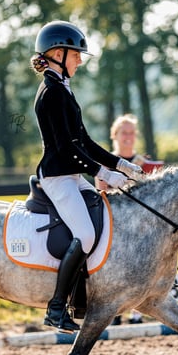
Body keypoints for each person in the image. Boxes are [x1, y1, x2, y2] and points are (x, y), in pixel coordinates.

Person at [32, 20, 142, 333]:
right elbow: (68, 150)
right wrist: (103, 172)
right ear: (56, 53)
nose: (80, 59)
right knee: (87, 235)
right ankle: (56, 307)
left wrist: (122, 165)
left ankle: (83, 298)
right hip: (58, 176)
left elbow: (86, 143)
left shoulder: (63, 90)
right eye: (75, 54)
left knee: (102, 219)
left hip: (70, 174)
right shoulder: (52, 93)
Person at [95, 113, 159, 325]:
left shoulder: (145, 165)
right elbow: (100, 194)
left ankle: (137, 311)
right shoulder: (103, 163)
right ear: (115, 135)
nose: (128, 136)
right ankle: (114, 310)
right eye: (124, 132)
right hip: (114, 223)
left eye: (131, 132)